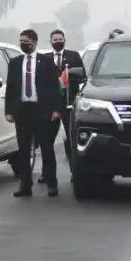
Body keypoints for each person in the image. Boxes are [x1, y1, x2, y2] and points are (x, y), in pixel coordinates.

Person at [5, 29, 62, 197]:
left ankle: (51, 183)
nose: (23, 44)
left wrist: (57, 109)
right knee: (24, 150)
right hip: (22, 111)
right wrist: (9, 111)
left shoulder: (46, 62)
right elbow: (10, 88)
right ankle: (25, 185)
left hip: (42, 110)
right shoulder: (15, 63)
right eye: (21, 41)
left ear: (35, 42)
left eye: (26, 41)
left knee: (46, 148)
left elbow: (54, 87)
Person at [48, 29, 85, 162]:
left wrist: (69, 77)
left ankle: (73, 163)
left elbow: (83, 76)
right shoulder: (45, 58)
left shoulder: (73, 56)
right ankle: (48, 167)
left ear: (64, 40)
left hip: (69, 102)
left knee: (71, 136)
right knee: (48, 138)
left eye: (60, 39)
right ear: (51, 42)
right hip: (51, 104)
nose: (58, 42)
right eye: (55, 40)